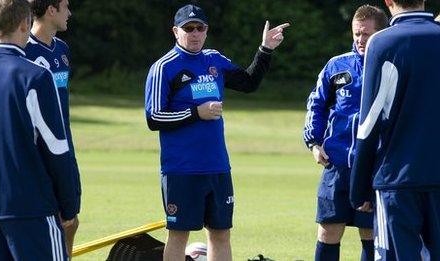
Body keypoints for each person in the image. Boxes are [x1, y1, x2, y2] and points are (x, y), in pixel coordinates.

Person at [144, 4, 288, 261]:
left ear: (206, 31)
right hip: (182, 169)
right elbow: (154, 117)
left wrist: (265, 49)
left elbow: (248, 83)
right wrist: (195, 113)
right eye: (189, 28)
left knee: (220, 233)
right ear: (176, 31)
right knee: (179, 234)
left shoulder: (214, 59)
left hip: (217, 166)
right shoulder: (164, 67)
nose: (195, 33)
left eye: (200, 27)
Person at [0, 0, 79, 260]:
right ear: (24, 24)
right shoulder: (35, 76)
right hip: (32, 208)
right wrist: (69, 206)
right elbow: (55, 148)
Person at [349, 0, 440, 260]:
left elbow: (369, 123)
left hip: (397, 180)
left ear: (388, 1)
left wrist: (359, 187)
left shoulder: (382, 42)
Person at [303, 5, 388, 261]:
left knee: (371, 234)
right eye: (357, 34)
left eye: (367, 34)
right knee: (328, 231)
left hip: (374, 167)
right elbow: (316, 104)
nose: (361, 40)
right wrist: (314, 143)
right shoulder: (337, 66)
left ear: (381, 33)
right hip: (337, 166)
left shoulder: (390, 67)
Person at [24, 0, 80, 256]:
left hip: (65, 149)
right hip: (38, 155)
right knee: (47, 224)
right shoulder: (24, 50)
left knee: (71, 220)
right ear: (51, 10)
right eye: (65, 6)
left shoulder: (63, 50)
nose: (69, 13)